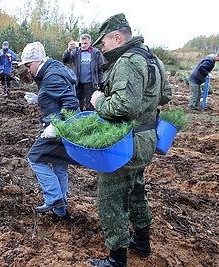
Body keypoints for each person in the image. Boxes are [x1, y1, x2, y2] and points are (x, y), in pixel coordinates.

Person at [87, 13, 172, 266]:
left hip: (126, 142)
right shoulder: (153, 58)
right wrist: (145, 101)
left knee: (110, 195)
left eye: (104, 43)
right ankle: (142, 243)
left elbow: (124, 107)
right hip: (147, 137)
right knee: (136, 189)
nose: (103, 48)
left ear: (117, 37)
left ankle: (116, 258)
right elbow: (165, 95)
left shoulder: (128, 61)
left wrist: (99, 100)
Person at [20, 42, 80, 218]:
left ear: (38, 61)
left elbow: (71, 103)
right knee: (59, 166)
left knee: (34, 158)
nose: (28, 70)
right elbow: (59, 96)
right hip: (66, 126)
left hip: (59, 127)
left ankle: (54, 198)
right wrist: (40, 98)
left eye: (29, 65)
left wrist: (56, 125)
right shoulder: (52, 71)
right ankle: (60, 211)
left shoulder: (51, 76)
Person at [62, 34, 104, 111]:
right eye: (82, 43)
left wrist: (100, 83)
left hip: (91, 83)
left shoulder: (96, 53)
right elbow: (65, 60)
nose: (84, 45)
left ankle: (89, 121)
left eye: (86, 43)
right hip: (78, 84)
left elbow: (101, 69)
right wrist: (68, 50)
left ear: (90, 43)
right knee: (77, 105)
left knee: (90, 106)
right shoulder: (75, 52)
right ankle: (79, 121)